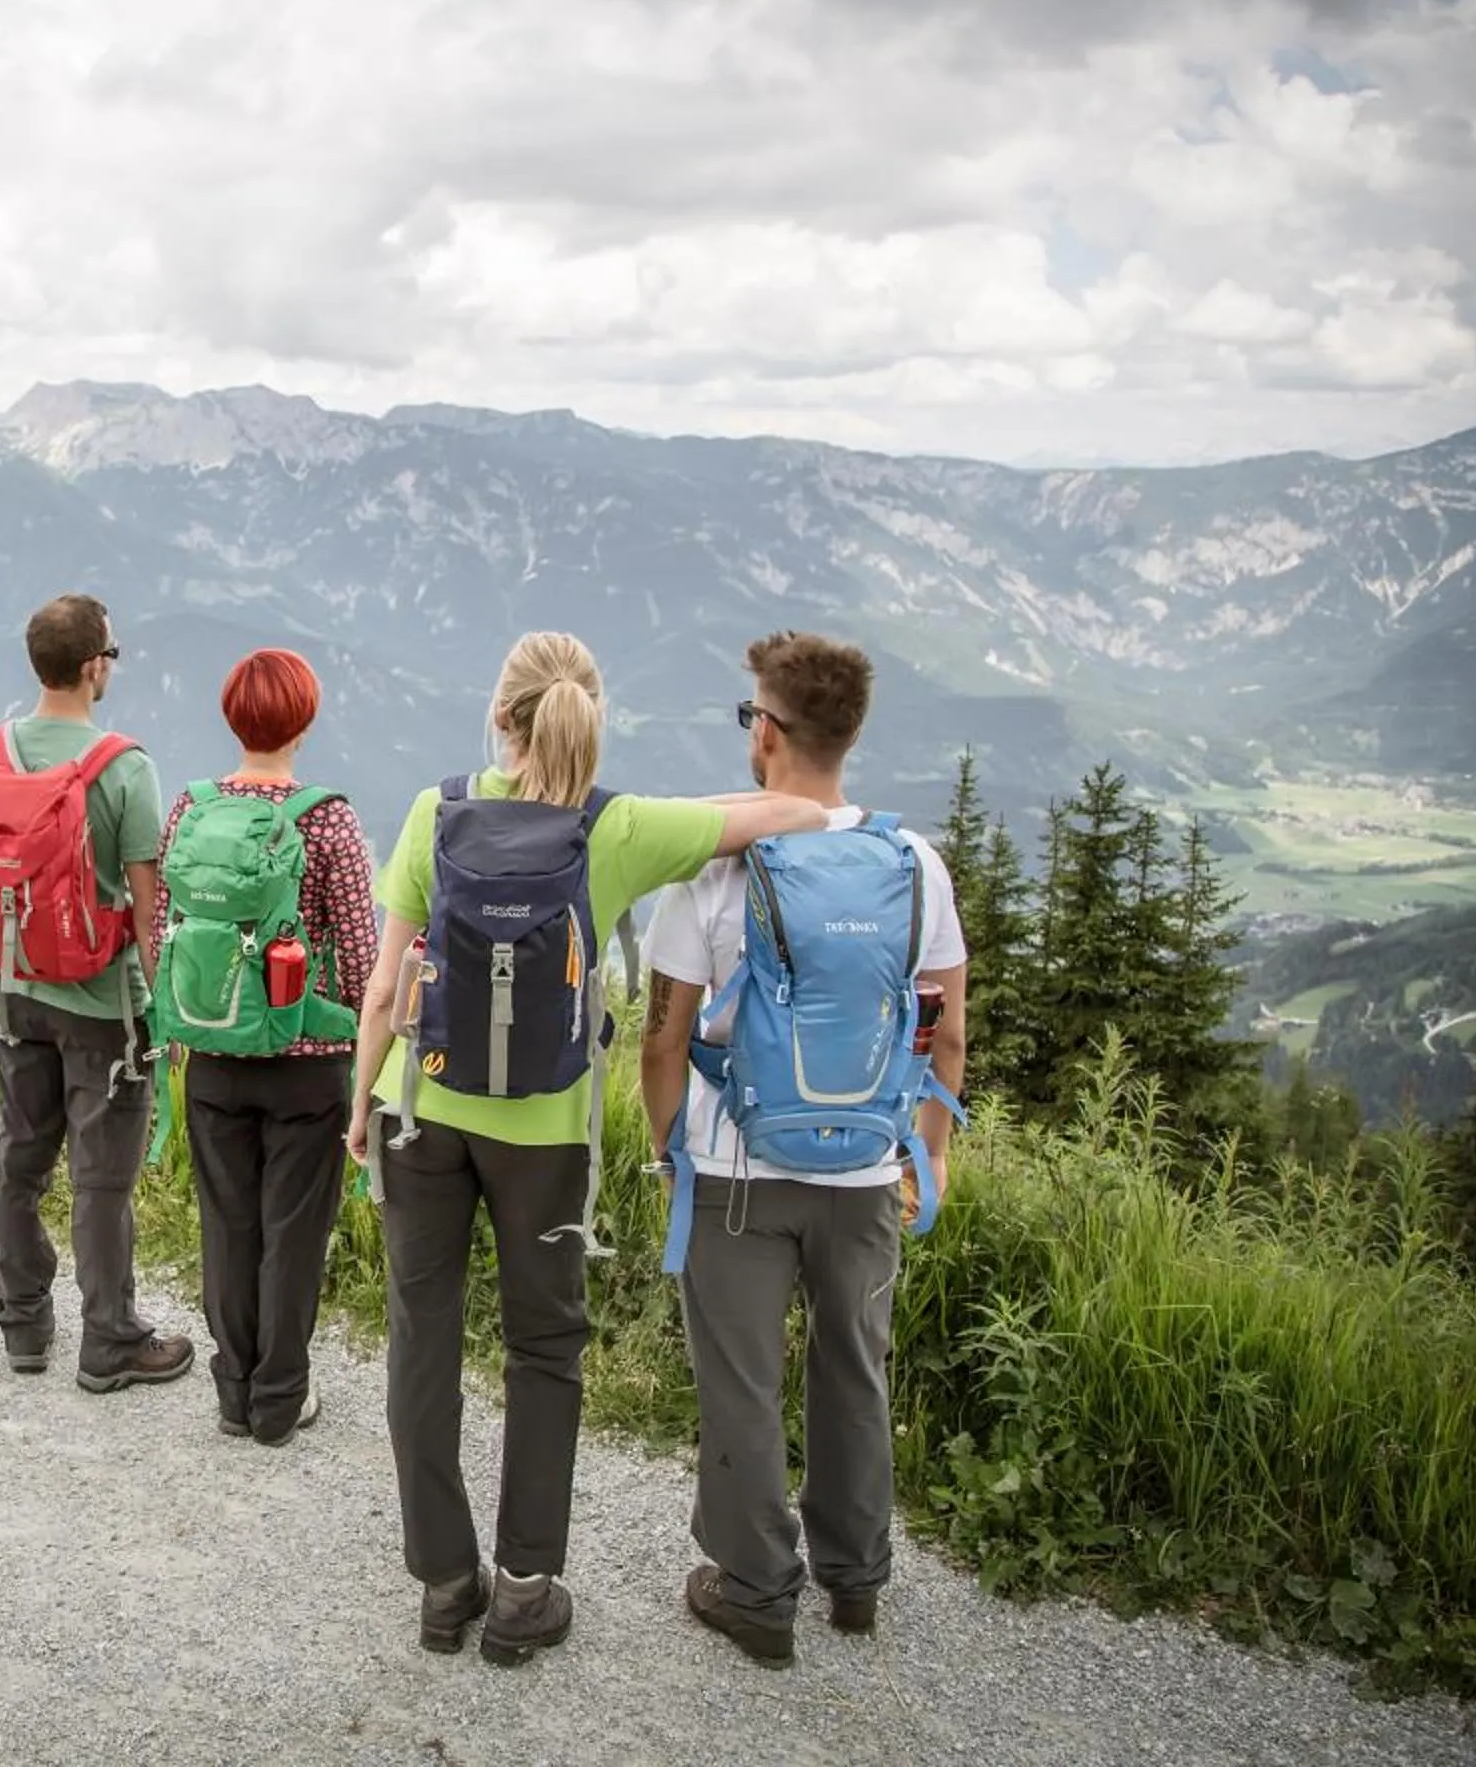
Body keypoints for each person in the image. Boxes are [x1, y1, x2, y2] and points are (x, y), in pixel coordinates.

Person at [347, 631, 830, 1667]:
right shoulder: (616, 828)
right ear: (592, 718)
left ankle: (444, 1583)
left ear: (502, 718)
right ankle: (524, 1591)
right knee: (543, 1347)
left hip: (420, 1113)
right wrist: (810, 813)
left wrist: (361, 1104)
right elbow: (788, 814)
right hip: (546, 1139)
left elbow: (384, 990)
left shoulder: (437, 809)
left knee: (423, 1338)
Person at [637, 631, 969, 1668]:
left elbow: (662, 1036)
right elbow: (947, 1031)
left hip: (736, 1169)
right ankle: (855, 1579)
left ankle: (755, 1592)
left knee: (742, 1382)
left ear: (767, 732)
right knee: (855, 1369)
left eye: (752, 715)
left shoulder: (718, 866)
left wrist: (667, 1147)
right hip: (866, 1169)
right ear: (850, 734)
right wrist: (929, 1152)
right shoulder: (916, 866)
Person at [0, 593, 195, 1393]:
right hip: (102, 1007)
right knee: (101, 1180)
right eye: (112, 655)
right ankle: (110, 1339)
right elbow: (149, 912)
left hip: (15, 995)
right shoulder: (124, 768)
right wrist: (167, 1016)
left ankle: (23, 1319)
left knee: (18, 1156)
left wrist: (4, 970)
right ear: (94, 668)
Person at [147, 648, 377, 1447]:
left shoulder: (192, 808)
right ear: (303, 722)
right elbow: (362, 956)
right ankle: (279, 1399)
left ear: (231, 717)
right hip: (307, 1066)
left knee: (228, 1226)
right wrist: (366, 1051)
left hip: (212, 1053)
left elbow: (165, 934)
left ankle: (233, 1389)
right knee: (293, 1235)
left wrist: (178, 1032)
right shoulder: (327, 819)